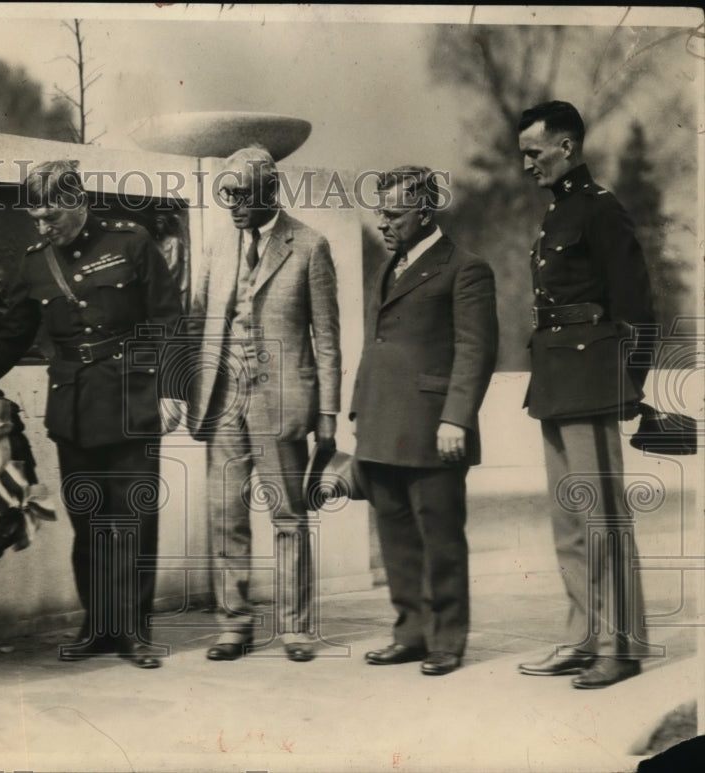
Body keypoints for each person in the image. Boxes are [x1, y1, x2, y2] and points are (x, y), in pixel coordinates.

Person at [0, 160, 184, 669]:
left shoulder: (131, 242)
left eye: (50, 216)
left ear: (77, 202)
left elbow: (169, 319)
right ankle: (98, 626)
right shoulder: (37, 261)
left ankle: (135, 632)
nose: (41, 227)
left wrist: (173, 391)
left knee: (132, 518)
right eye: (35, 219)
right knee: (89, 521)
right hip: (73, 406)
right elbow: (14, 331)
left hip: (132, 401)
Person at [515, 101, 656, 689]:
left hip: (592, 377)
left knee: (602, 520)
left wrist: (625, 386)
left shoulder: (600, 211)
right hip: (554, 379)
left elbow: (638, 308)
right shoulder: (558, 213)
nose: (526, 164)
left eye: (534, 152)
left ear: (567, 147)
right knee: (569, 522)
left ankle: (620, 647)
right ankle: (583, 636)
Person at [185, 146, 341, 663]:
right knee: (224, 512)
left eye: (242, 196)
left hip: (282, 402)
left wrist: (328, 413)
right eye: (226, 195)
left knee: (288, 516)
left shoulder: (310, 246)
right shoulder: (217, 244)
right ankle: (234, 624)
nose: (231, 206)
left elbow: (328, 339)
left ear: (270, 193)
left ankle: (295, 628)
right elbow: (197, 318)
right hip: (222, 399)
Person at [351, 166, 498, 676]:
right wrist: (358, 413)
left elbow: (475, 350)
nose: (382, 223)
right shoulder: (389, 268)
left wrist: (456, 417)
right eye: (380, 213)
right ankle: (410, 633)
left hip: (435, 428)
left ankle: (446, 640)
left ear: (425, 211)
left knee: (439, 538)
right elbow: (377, 345)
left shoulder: (466, 268)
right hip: (380, 425)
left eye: (392, 213)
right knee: (395, 538)